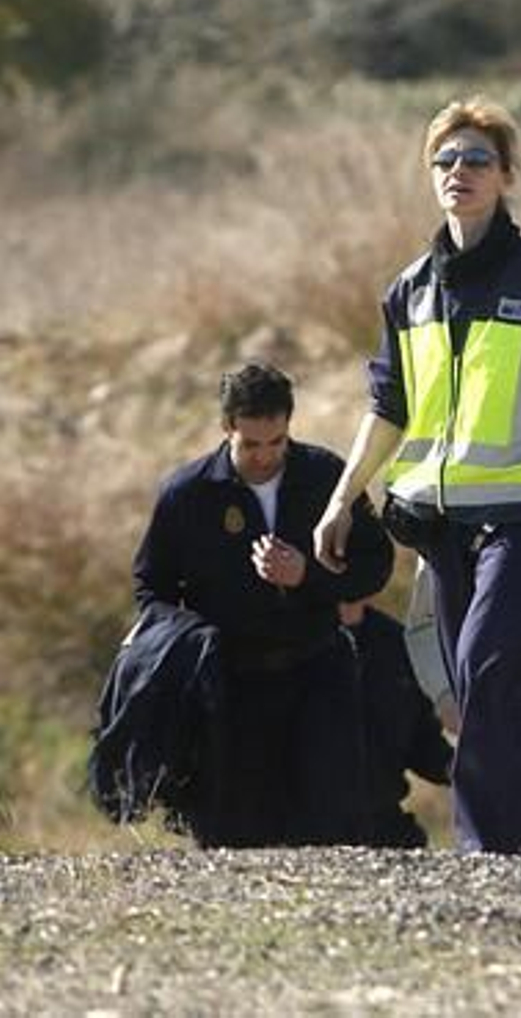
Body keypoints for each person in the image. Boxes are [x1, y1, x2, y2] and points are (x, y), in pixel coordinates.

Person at [313, 96, 521, 855]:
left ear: (507, 176)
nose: (459, 171)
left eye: (476, 159)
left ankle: (486, 849)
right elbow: (388, 407)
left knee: (489, 662)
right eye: (445, 160)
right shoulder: (408, 291)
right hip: (441, 519)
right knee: (477, 683)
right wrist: (341, 499)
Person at [132, 363, 394, 847]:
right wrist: (192, 643)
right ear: (227, 427)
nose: (264, 456)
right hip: (231, 686)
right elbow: (151, 589)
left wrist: (307, 577)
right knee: (233, 839)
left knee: (334, 826)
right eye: (250, 444)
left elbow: (375, 565)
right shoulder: (187, 495)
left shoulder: (326, 478)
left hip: (317, 671)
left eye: (276, 442)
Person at [339, 600, 454, 849]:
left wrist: (467, 768)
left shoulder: (395, 641)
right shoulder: (299, 640)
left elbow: (422, 742)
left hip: (386, 826)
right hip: (312, 829)